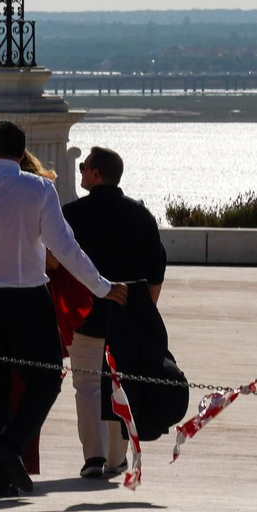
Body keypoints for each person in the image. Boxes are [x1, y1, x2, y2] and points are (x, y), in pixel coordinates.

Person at [0, 121, 127, 498]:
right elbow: (64, 247)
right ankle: (10, 445)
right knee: (47, 377)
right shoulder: (38, 188)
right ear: (22, 153)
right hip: (27, 298)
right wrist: (101, 286)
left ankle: (1, 476)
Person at [61, 146, 167, 480]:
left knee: (87, 386)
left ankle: (93, 456)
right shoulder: (141, 215)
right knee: (120, 385)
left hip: (85, 312)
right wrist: (144, 309)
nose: (80, 171)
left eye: (83, 167)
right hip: (126, 315)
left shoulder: (71, 214)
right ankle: (115, 458)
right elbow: (156, 270)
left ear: (96, 173)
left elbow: (56, 260)